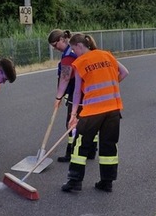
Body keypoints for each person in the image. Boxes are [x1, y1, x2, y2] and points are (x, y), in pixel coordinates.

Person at [61, 33, 129, 193]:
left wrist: (73, 115)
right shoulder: (107, 55)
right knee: (108, 145)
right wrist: (110, 84)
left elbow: (77, 92)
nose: (74, 52)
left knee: (80, 145)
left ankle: (74, 181)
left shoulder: (80, 62)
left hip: (93, 109)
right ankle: (107, 182)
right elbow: (125, 72)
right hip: (113, 108)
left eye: (73, 49)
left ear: (78, 46)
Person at [48, 28, 96, 162]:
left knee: (71, 122)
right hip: (86, 92)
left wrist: (58, 97)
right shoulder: (75, 51)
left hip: (78, 93)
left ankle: (72, 152)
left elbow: (65, 78)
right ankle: (91, 150)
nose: (55, 48)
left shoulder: (69, 55)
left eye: (55, 45)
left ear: (62, 40)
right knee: (88, 122)